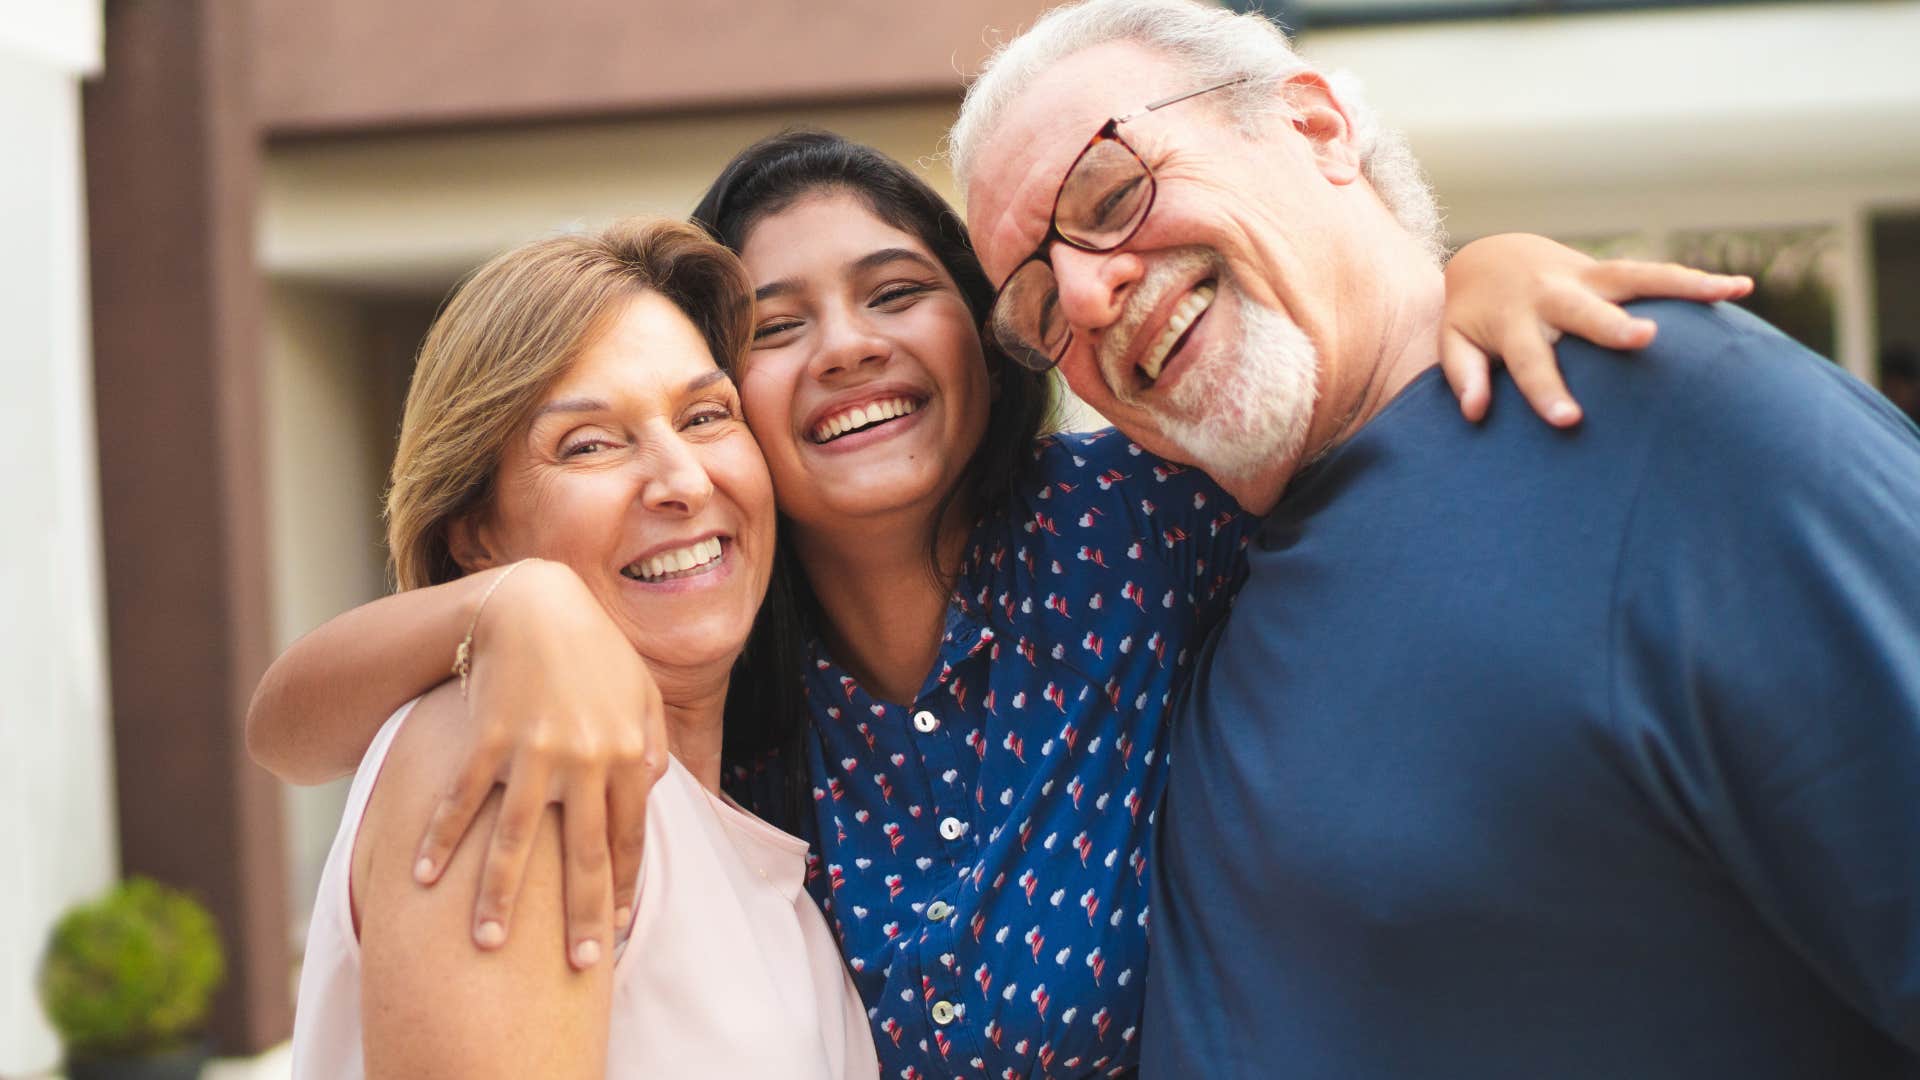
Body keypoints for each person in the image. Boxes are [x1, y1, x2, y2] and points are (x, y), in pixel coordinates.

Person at [249, 134, 1745, 1077]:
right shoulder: (676, 714)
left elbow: (1351, 412)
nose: (844, 347)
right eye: (774, 330)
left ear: (985, 338)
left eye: (898, 290)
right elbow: (292, 724)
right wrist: (509, 609)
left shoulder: (1148, 518)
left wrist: (1473, 274)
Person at [949, 1, 1920, 1076]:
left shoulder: (1678, 420)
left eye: (1113, 192)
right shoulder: (1176, 575)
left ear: (1317, 127)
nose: (1087, 295)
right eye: (1036, 304)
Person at [288, 216, 876, 1078]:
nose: (682, 480)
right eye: (590, 444)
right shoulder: (505, 749)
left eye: (707, 415)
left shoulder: (747, 831)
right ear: (476, 537)